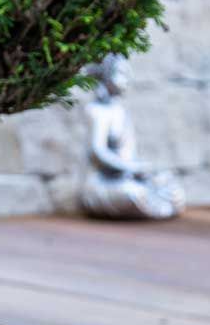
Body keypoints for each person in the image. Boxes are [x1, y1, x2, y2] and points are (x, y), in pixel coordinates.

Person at [79, 55, 184, 220]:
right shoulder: (97, 111)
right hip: (104, 182)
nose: (126, 79)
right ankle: (151, 205)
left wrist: (140, 170)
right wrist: (128, 167)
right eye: (121, 74)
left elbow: (128, 153)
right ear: (105, 75)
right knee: (132, 194)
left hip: (127, 176)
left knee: (171, 188)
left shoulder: (120, 111)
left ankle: (157, 205)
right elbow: (97, 152)